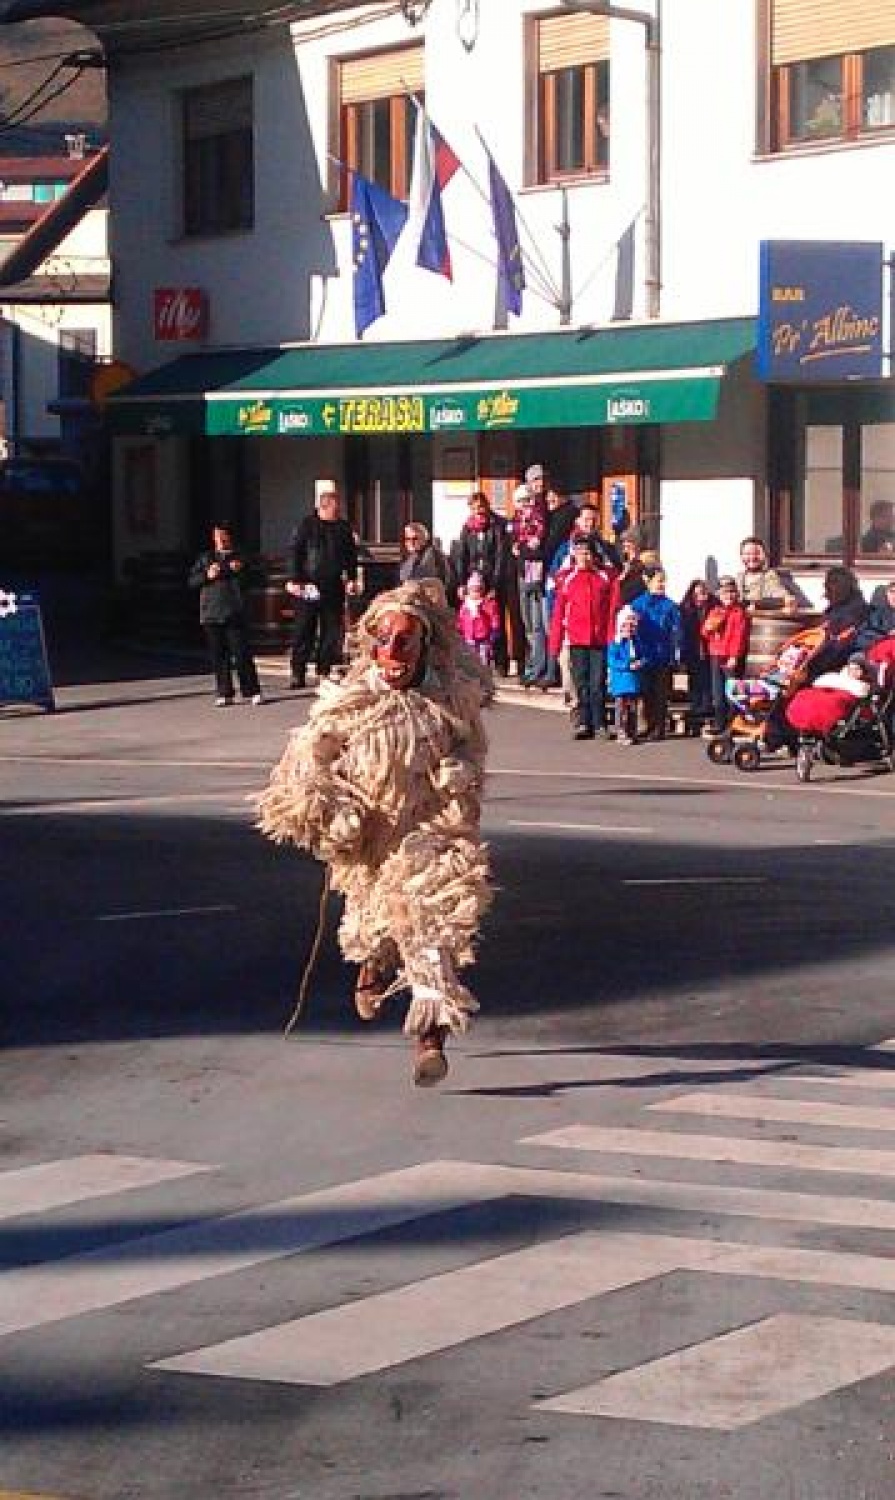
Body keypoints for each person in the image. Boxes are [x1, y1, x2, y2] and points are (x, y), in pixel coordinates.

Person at [257, 578, 492, 1088]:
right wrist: (327, 807)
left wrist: (460, 773)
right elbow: (306, 763)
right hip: (372, 840)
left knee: (432, 930)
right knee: (375, 925)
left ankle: (431, 1038)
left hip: (432, 834)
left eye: (405, 641)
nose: (394, 652)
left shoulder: (448, 700)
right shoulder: (352, 702)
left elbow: (471, 746)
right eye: (384, 641)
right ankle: (373, 969)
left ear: (424, 644)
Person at [286, 488, 358, 689]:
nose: (338, 512)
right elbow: (295, 553)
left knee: (331, 631)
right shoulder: (306, 525)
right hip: (308, 584)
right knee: (304, 630)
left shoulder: (343, 528)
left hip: (333, 585)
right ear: (323, 507)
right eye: (335, 509)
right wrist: (295, 579)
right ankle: (298, 672)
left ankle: (323, 670)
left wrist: (351, 577)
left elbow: (350, 556)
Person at [548, 533, 616, 740]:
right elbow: (559, 612)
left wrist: (612, 638)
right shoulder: (567, 579)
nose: (584, 557)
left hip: (599, 639)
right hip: (576, 639)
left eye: (587, 553)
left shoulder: (605, 577)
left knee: (598, 683)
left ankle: (600, 723)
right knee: (581, 683)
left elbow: (613, 609)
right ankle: (583, 722)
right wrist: (555, 644)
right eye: (579, 553)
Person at [188, 521, 263, 707]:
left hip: (235, 610)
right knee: (219, 655)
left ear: (230, 537)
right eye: (217, 536)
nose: (220, 540)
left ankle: (252, 690)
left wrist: (242, 570)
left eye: (224, 536)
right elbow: (192, 581)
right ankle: (224, 692)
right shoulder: (205, 558)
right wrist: (207, 575)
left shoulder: (241, 557)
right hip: (211, 613)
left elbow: (258, 579)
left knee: (242, 653)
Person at [630, 566, 682, 741]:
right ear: (648, 581)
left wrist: (676, 653)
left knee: (660, 694)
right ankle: (647, 725)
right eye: (658, 580)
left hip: (662, 656)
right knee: (645, 693)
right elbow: (632, 627)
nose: (662, 584)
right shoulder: (638, 604)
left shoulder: (670, 605)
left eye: (663, 581)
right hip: (644, 655)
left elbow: (676, 631)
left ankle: (659, 728)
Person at [509, 480, 549, 685]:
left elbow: (534, 548)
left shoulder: (538, 519)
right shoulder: (516, 521)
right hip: (522, 572)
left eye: (527, 500)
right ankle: (532, 664)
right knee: (527, 623)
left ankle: (538, 667)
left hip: (535, 572)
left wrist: (521, 549)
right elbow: (513, 547)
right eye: (520, 501)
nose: (524, 504)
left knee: (536, 624)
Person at [701, 575, 749, 734]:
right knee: (717, 691)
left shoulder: (738, 613)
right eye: (724, 592)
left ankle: (733, 723)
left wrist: (734, 656)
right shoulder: (715, 611)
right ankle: (719, 722)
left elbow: (739, 636)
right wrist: (709, 628)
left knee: (733, 691)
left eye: (731, 592)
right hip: (716, 654)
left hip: (730, 656)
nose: (728, 596)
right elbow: (705, 632)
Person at [678, 578, 716, 732]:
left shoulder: (713, 607)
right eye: (697, 594)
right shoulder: (685, 609)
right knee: (694, 680)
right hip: (692, 648)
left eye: (703, 593)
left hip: (709, 649)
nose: (701, 597)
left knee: (707, 680)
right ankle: (696, 709)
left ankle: (706, 708)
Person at [606, 603, 644, 745]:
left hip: (633, 682)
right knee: (621, 709)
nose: (629, 629)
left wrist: (641, 662)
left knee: (633, 709)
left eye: (631, 626)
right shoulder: (615, 643)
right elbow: (612, 660)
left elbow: (642, 656)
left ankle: (632, 732)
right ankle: (621, 732)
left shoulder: (636, 641)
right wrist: (627, 665)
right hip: (621, 683)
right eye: (626, 625)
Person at [736, 536, 798, 612]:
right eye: (747, 554)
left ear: (765, 555)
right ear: (741, 556)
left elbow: (788, 600)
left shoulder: (770, 576)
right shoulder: (739, 578)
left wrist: (757, 605)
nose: (752, 557)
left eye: (757, 553)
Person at [456, 570, 501, 665]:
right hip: (469, 637)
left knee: (483, 660)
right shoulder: (465, 605)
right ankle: (473, 676)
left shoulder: (487, 603)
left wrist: (495, 629)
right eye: (473, 591)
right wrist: (459, 629)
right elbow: (461, 619)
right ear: (468, 591)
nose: (475, 594)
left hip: (483, 637)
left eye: (478, 591)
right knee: (470, 660)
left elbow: (494, 616)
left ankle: (484, 673)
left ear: (482, 590)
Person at [399, 521, 454, 595]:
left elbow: (444, 582)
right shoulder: (408, 558)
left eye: (415, 538)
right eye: (407, 539)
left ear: (424, 539)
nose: (411, 542)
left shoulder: (436, 556)